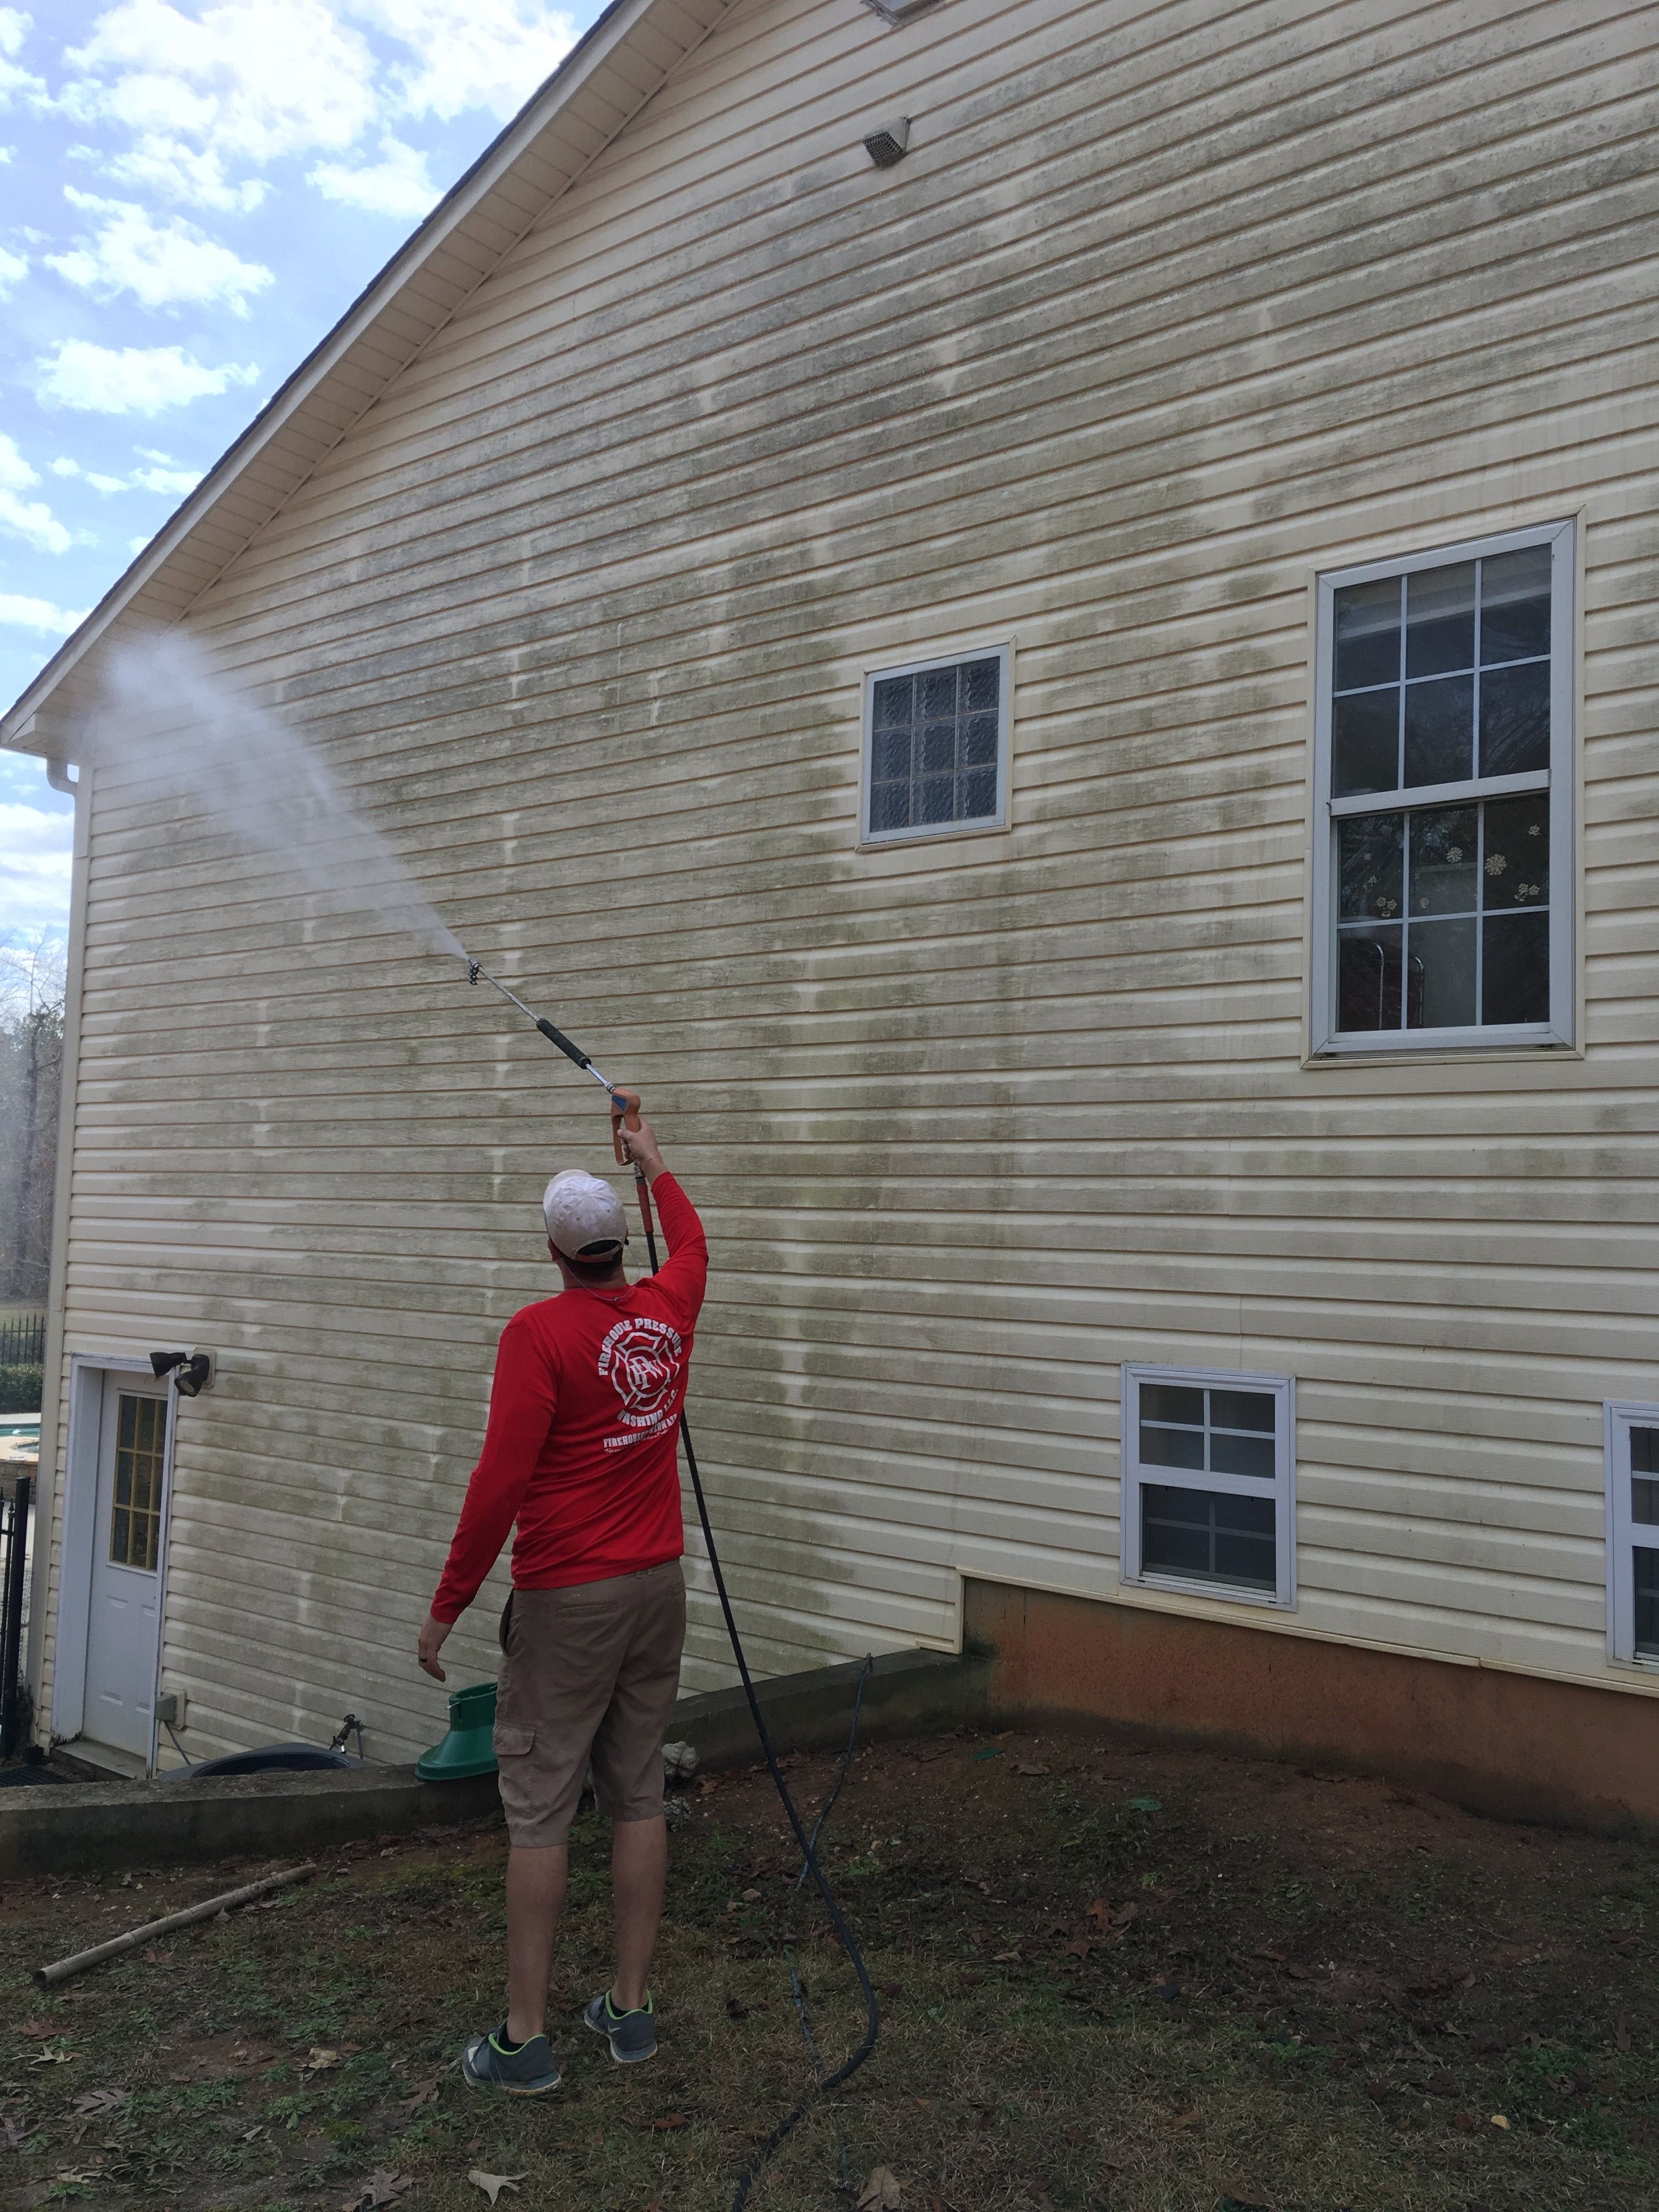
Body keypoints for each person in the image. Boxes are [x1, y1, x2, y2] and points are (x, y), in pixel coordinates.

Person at [416, 1114, 707, 2095]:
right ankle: (629, 2013)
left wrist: (448, 1606)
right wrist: (653, 1158)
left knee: (539, 1813)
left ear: (554, 1251)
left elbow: (499, 1485)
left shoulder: (537, 1335)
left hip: (569, 1599)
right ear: (620, 1245)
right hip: (657, 1588)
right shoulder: (669, 1308)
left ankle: (525, 2039)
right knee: (637, 1792)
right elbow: (698, 1244)